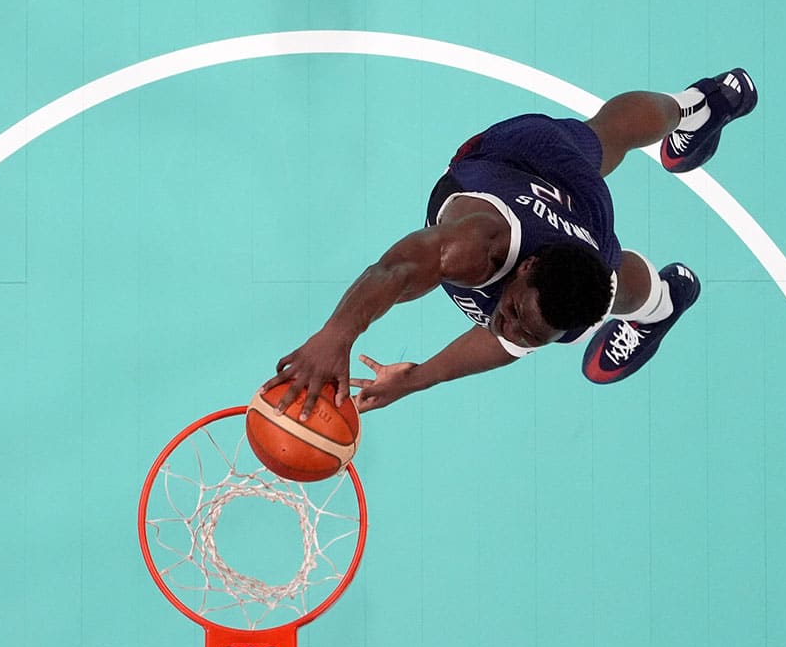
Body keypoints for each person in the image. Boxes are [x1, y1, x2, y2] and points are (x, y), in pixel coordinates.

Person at [263, 69, 758, 420]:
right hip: (521, 158)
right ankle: (700, 103)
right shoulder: (475, 248)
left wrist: (417, 378)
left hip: (581, 215)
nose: (508, 324)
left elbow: (504, 342)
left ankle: (663, 299)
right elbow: (396, 272)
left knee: (612, 285)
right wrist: (336, 336)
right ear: (525, 269)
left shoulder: (563, 311)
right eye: (518, 312)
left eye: (529, 332)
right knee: (602, 135)